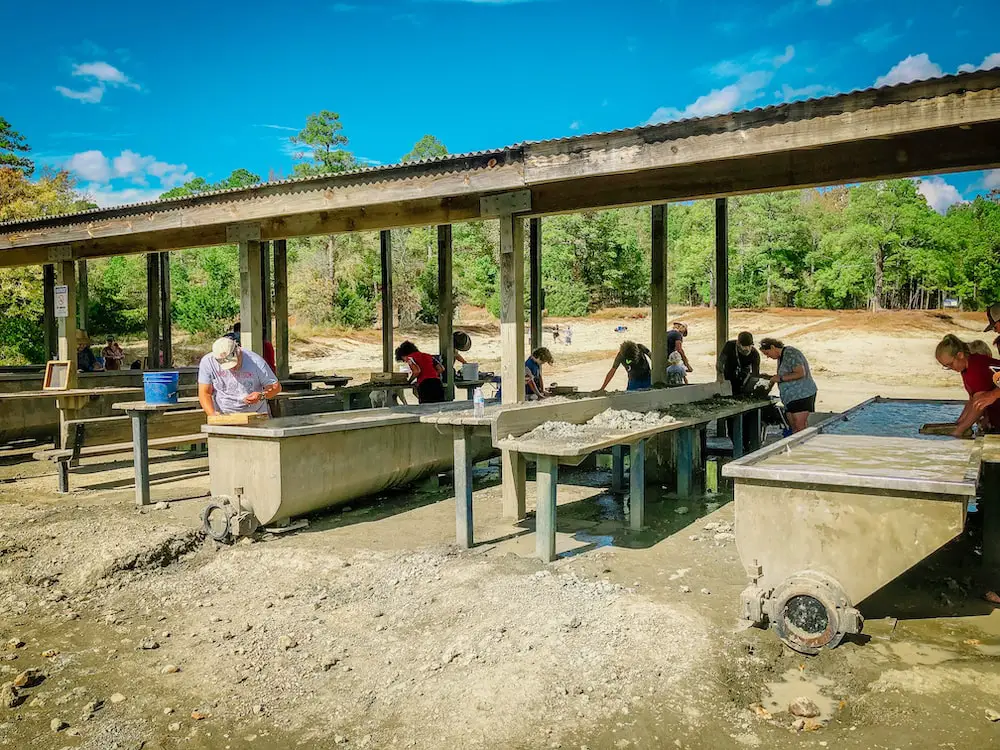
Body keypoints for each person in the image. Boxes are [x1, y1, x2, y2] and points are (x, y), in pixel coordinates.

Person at [935, 334, 1000, 437]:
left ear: (960, 355)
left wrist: (959, 431)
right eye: (946, 366)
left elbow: (979, 404)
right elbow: (972, 401)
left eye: (950, 364)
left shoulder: (976, 368)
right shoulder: (966, 368)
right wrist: (959, 423)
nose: (950, 368)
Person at [198, 337, 281, 417]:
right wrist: (212, 415)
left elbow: (276, 387)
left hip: (255, 415)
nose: (231, 368)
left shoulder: (256, 362)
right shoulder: (208, 362)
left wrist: (261, 396)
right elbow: (205, 392)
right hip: (224, 415)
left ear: (238, 351)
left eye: (234, 363)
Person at [759, 337, 817, 434]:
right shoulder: (781, 357)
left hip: (801, 395)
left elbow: (800, 373)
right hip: (790, 398)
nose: (768, 357)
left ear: (773, 347)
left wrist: (780, 379)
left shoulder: (790, 353)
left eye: (767, 353)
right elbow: (786, 373)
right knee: (793, 426)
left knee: (800, 427)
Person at [717, 331, 761, 395]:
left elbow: (755, 373)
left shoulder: (755, 354)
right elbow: (720, 361)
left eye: (749, 346)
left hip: (744, 376)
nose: (747, 349)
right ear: (738, 344)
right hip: (729, 373)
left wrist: (751, 386)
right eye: (744, 346)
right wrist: (720, 375)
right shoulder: (729, 345)